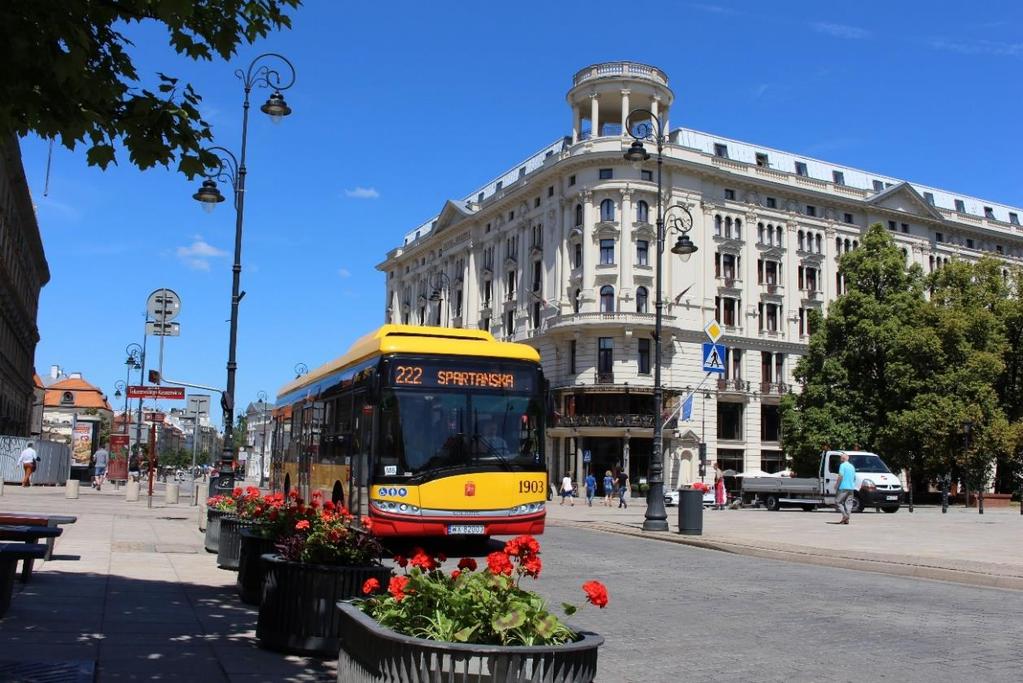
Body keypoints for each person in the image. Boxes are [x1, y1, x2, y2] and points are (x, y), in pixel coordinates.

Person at [831, 452, 857, 525]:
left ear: (842, 459)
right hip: (851, 488)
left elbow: (840, 476)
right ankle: (846, 519)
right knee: (849, 503)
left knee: (837, 502)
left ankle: (845, 516)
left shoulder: (842, 465)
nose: (840, 459)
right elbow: (854, 478)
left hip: (843, 487)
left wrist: (836, 485)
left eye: (840, 458)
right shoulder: (852, 466)